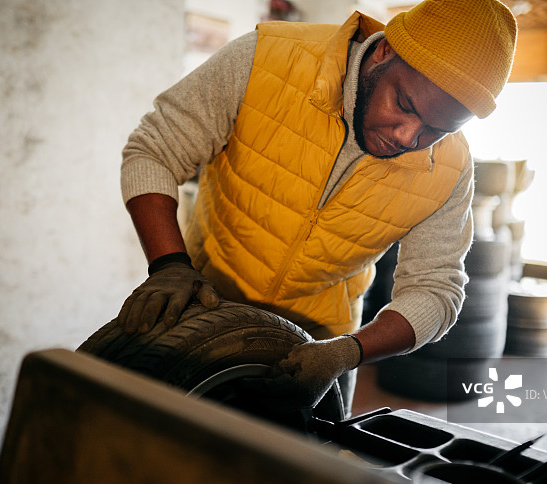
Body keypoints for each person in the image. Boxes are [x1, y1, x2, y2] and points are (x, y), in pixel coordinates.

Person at [117, 0, 517, 415]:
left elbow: (436, 291)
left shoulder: (449, 169)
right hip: (202, 316)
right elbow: (154, 151)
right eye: (405, 105)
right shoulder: (267, 60)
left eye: (437, 130)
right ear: (385, 51)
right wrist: (169, 266)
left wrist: (346, 353)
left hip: (317, 356)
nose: (407, 137)